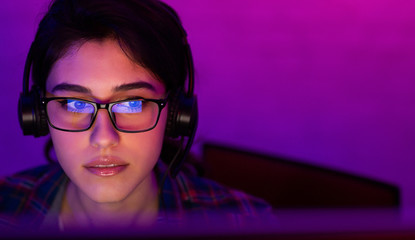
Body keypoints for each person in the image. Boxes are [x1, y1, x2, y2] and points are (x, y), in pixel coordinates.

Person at [0, 0, 273, 233]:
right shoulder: (6, 209)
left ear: (176, 112)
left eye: (132, 104)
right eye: (75, 104)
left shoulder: (244, 224)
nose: (104, 138)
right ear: (37, 113)